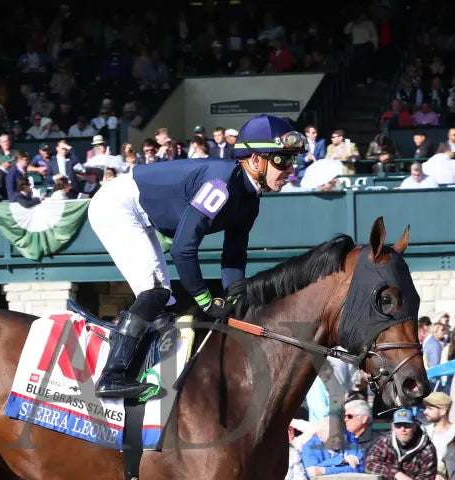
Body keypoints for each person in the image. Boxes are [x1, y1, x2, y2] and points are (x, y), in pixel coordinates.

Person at [87, 114, 306, 398]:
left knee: (164, 302)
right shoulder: (222, 184)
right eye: (282, 160)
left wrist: (235, 298)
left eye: (291, 160)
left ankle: (138, 369)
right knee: (155, 292)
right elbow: (183, 249)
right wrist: (205, 300)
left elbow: (234, 255)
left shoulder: (251, 198)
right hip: (118, 205)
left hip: (140, 210)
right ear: (255, 161)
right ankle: (111, 375)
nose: (290, 168)